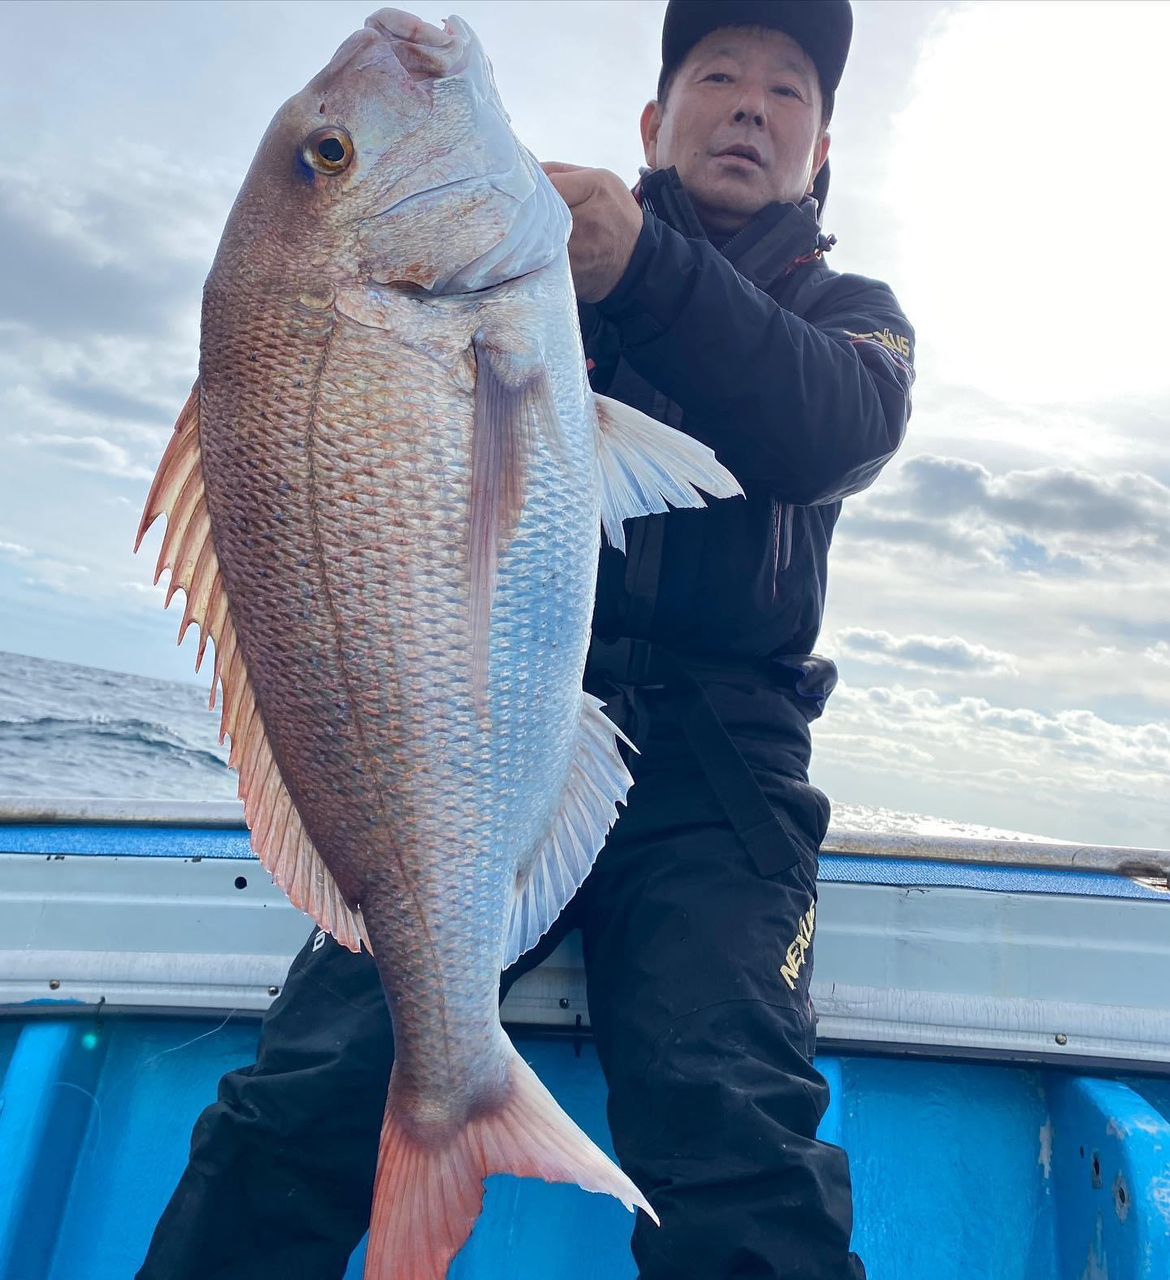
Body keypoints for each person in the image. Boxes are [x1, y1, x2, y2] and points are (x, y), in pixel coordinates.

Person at [138, 2, 913, 1277]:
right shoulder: (536, 268)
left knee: (737, 1127)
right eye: (718, 74)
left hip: (720, 790)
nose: (753, 105)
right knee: (305, 1091)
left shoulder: (853, 315)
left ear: (820, 152)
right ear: (655, 124)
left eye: (790, 92)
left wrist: (646, 273)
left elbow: (834, 429)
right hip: (471, 742)